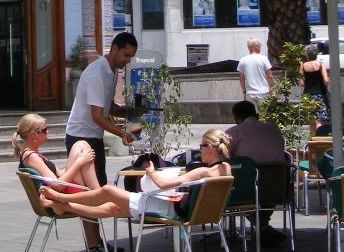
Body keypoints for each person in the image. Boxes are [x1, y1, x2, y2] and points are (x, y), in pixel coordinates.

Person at [40, 129, 232, 222]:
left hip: (168, 209)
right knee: (112, 209)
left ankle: (61, 197)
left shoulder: (203, 171)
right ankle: (63, 206)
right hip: (192, 212)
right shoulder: (226, 170)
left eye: (201, 147)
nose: (200, 151)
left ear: (210, 148)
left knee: (107, 190)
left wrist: (151, 172)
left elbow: (164, 185)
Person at [64, 32, 139, 248]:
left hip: (92, 136)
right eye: (126, 55)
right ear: (114, 48)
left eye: (131, 57)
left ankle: (97, 243)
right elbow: (97, 116)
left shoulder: (112, 71)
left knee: (97, 193)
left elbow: (108, 108)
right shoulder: (97, 72)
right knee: (90, 195)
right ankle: (94, 245)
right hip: (81, 137)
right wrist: (121, 133)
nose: (127, 60)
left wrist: (130, 112)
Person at [14, 113, 102, 252]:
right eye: (43, 130)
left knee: (82, 146)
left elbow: (59, 174)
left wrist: (80, 160)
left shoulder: (32, 154)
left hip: (59, 193)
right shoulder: (31, 157)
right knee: (81, 146)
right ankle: (99, 195)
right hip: (58, 197)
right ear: (33, 135)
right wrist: (79, 162)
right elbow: (57, 184)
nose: (47, 132)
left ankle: (95, 244)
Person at [227, 100, 286, 245]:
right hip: (278, 187)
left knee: (238, 188)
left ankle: (263, 227)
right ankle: (263, 226)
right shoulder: (274, 129)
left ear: (237, 118)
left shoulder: (233, 132)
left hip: (249, 190)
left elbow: (224, 157)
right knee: (264, 187)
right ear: (256, 114)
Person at [300, 43, 329, 135]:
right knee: (319, 121)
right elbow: (326, 80)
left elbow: (301, 83)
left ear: (307, 55)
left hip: (307, 96)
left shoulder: (303, 66)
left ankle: (313, 145)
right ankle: (320, 142)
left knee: (311, 121)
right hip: (320, 94)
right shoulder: (320, 65)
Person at [237, 38, 273, 107]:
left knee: (252, 116)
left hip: (250, 94)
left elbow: (241, 79)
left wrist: (244, 92)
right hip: (263, 93)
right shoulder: (264, 59)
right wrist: (272, 90)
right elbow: (270, 76)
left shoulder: (243, 60)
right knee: (264, 116)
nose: (260, 47)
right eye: (260, 45)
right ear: (256, 46)